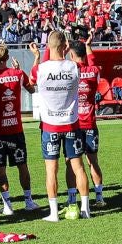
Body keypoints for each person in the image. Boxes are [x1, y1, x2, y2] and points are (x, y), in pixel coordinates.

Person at [32, 29, 93, 221]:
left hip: (50, 125)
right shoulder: (74, 67)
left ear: (48, 48)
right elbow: (88, 63)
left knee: (51, 169)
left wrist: (39, 56)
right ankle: (85, 209)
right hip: (71, 124)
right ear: (65, 47)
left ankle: (53, 212)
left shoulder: (40, 69)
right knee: (79, 167)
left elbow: (33, 78)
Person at [0, 42, 36, 215]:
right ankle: (28, 201)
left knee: (1, 168)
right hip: (16, 130)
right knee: (22, 165)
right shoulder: (18, 74)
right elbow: (32, 90)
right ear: (7, 58)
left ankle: (8, 206)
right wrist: (19, 70)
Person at [69, 40, 107, 210]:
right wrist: (89, 46)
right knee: (93, 161)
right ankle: (99, 196)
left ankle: (72, 199)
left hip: (74, 125)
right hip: (90, 123)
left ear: (71, 55)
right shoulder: (94, 71)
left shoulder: (69, 72)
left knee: (71, 162)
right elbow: (92, 61)